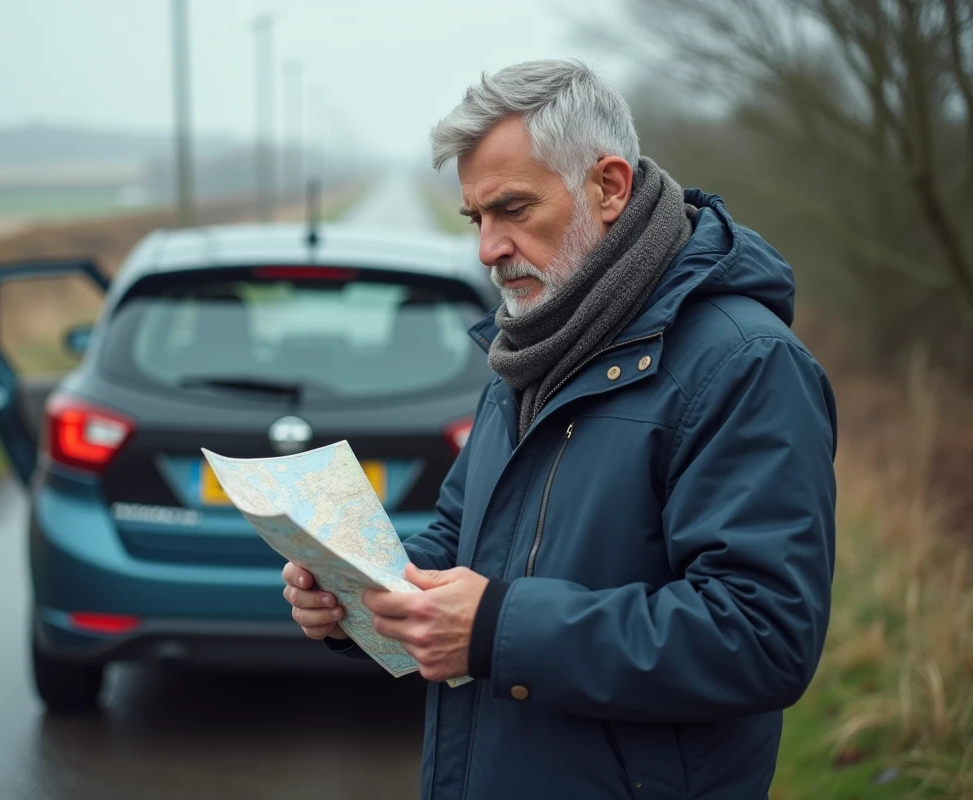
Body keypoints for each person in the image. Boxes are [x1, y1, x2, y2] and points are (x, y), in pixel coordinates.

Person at [282, 58, 837, 800]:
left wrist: (496, 629)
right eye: (476, 219)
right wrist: (357, 598)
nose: (488, 248)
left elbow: (762, 635)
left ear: (609, 187)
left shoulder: (744, 363)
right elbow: (459, 543)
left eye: (513, 209)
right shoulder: (531, 346)